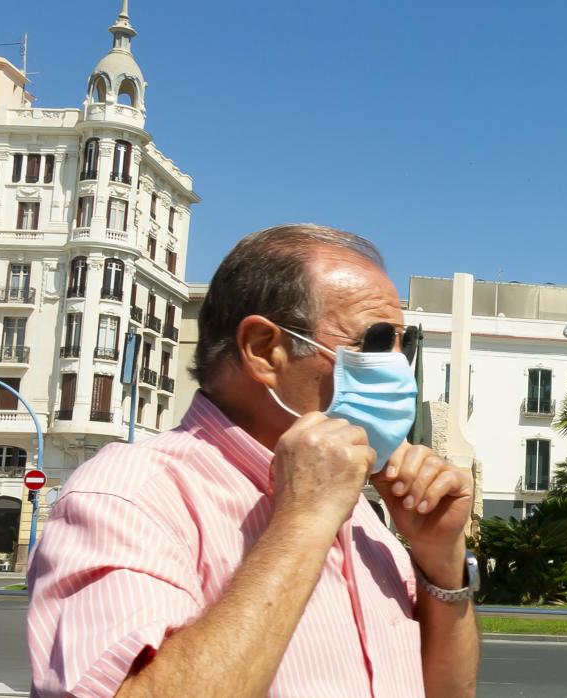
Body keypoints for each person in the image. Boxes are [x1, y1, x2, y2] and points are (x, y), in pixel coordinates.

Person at [27, 224, 479, 697]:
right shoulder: (130, 495)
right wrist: (304, 519)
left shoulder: (359, 510)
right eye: (377, 340)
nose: (398, 367)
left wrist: (440, 562)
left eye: (402, 346)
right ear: (265, 350)